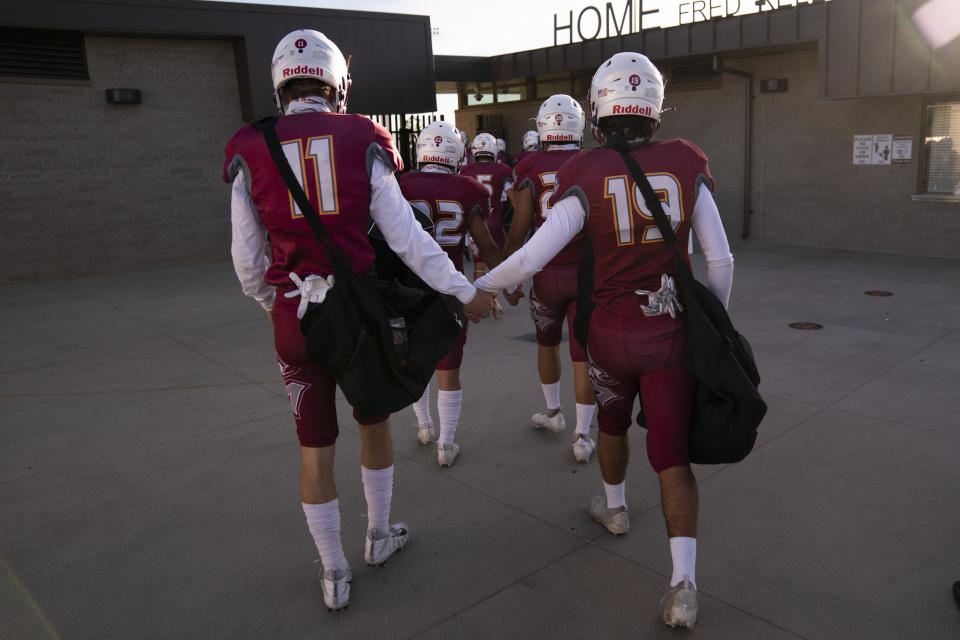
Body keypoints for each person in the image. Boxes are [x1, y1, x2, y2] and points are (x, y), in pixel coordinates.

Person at [223, 29, 496, 612]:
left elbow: (247, 262)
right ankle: (378, 536)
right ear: (334, 82)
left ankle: (332, 571)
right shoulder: (359, 134)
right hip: (358, 313)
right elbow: (406, 237)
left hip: (296, 315)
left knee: (313, 446)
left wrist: (279, 308)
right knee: (373, 424)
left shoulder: (249, 145)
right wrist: (462, 289)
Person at [474, 52, 734, 630]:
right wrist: (713, 321)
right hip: (670, 331)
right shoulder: (686, 162)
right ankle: (684, 584)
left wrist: (479, 287)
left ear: (599, 109)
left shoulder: (585, 171)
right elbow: (720, 258)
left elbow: (533, 255)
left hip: (611, 332)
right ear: (654, 109)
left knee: (612, 425)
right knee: (672, 455)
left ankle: (614, 509)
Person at [398, 120, 506, 466]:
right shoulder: (469, 189)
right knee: (450, 366)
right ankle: (446, 444)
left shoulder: (400, 185)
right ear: (458, 153)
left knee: (415, 361)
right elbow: (486, 246)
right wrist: (504, 283)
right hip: (451, 289)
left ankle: (425, 425)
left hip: (407, 288)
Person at [502, 95, 596, 463]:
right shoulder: (593, 162)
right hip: (588, 272)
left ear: (542, 126)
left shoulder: (530, 165)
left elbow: (518, 231)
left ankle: (554, 414)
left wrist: (510, 278)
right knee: (583, 355)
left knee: (546, 344)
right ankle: (583, 435)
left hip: (547, 273)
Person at [460, 133, 513, 280]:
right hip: (495, 220)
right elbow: (513, 197)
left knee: (479, 265)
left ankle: (483, 300)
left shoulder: (466, 171)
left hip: (475, 224)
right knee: (499, 264)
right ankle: (505, 293)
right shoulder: (503, 169)